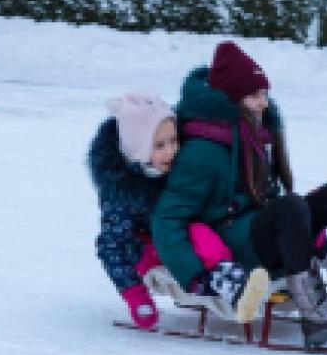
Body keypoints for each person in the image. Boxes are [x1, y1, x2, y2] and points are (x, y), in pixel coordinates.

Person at [151, 41, 327, 349]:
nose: (264, 103)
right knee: (290, 208)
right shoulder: (200, 152)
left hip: (260, 227)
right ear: (231, 99)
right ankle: (316, 317)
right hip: (233, 244)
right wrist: (195, 275)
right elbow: (166, 218)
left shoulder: (251, 134)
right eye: (254, 95)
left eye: (264, 94)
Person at [89, 93, 262, 329]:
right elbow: (110, 247)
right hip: (144, 251)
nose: (171, 151)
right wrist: (136, 296)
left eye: (173, 141)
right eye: (159, 145)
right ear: (137, 149)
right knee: (193, 232)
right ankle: (222, 284)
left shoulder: (173, 171)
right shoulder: (122, 194)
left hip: (178, 241)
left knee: (198, 230)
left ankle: (230, 276)